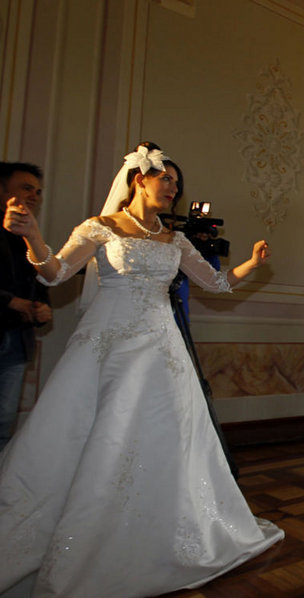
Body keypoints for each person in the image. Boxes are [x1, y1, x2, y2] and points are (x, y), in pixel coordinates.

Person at [0, 143, 283, 598]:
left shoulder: (175, 240)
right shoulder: (101, 227)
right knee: (97, 433)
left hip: (161, 349)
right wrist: (32, 233)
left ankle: (161, 528)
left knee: (166, 436)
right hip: (106, 347)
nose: (172, 188)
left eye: (176, 183)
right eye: (165, 178)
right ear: (139, 179)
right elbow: (54, 273)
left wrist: (252, 262)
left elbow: (216, 283)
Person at [0, 162, 52, 452]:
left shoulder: (29, 235)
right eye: (26, 188)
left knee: (4, 421)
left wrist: (42, 308)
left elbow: (41, 279)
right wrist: (10, 301)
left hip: (18, 341)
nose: (34, 195)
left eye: (38, 191)